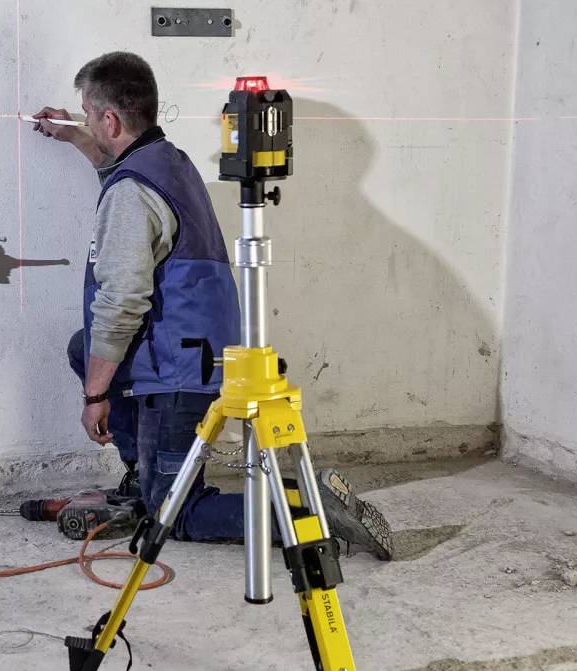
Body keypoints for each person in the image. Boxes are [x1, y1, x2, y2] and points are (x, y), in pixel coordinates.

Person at [32, 52, 394, 558]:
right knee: (83, 347)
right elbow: (118, 172)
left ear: (109, 119)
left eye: (89, 115)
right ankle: (147, 472)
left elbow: (120, 304)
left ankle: (310, 517)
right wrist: (74, 136)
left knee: (175, 511)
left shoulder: (131, 191)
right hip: (197, 347)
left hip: (177, 368)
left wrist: (95, 398)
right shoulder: (165, 161)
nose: (87, 121)